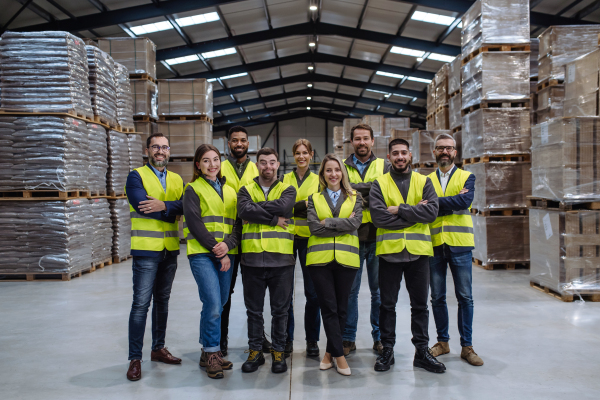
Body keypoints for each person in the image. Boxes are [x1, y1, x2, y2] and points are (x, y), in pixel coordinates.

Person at [369, 138, 445, 373]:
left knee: (420, 306)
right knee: (387, 305)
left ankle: (421, 352)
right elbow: (379, 218)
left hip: (418, 255)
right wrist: (415, 212)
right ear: (389, 157)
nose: (400, 157)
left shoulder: (424, 181)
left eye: (403, 153)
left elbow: (431, 212)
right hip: (390, 255)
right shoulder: (379, 184)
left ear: (410, 155)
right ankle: (387, 350)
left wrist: (399, 209)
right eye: (395, 153)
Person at [125, 133, 184, 381]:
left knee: (163, 301)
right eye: (155, 147)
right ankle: (134, 359)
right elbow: (142, 206)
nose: (160, 151)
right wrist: (170, 208)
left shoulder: (178, 179)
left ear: (169, 151)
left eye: (164, 147)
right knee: (141, 304)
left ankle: (158, 348)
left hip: (169, 250)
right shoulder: (136, 176)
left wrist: (164, 206)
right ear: (147, 150)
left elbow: (186, 206)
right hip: (146, 250)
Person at [182, 144, 243, 379]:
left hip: (227, 252)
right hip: (202, 253)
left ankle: (206, 352)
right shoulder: (192, 189)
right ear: (198, 165)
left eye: (215, 159)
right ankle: (213, 353)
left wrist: (228, 245)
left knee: (221, 302)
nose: (212, 165)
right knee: (213, 304)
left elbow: (237, 224)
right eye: (206, 161)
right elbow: (195, 225)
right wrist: (221, 251)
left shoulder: (230, 191)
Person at [237, 147, 297, 374]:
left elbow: (283, 206)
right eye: (263, 162)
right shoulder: (245, 189)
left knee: (280, 310)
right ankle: (255, 352)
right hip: (252, 259)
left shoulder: (287, 189)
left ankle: (278, 352)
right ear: (257, 165)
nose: (268, 167)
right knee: (254, 311)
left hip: (281, 260)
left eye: (272, 162)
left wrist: (255, 210)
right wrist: (273, 219)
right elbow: (243, 210)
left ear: (278, 165)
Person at [426, 133, 483, 366]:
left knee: (465, 297)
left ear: (455, 152)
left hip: (460, 246)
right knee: (437, 297)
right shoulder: (426, 180)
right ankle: (442, 342)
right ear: (434, 152)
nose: (444, 152)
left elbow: (464, 202)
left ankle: (467, 346)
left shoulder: (467, 176)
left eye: (448, 148)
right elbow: (427, 209)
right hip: (435, 244)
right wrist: (448, 202)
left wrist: (435, 204)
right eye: (440, 148)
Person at [306, 154, 363, 376]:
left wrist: (328, 222)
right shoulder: (313, 198)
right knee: (328, 307)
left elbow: (355, 223)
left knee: (341, 308)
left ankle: (329, 353)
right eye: (328, 170)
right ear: (322, 174)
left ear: (343, 173)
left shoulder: (355, 197)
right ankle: (340, 356)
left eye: (337, 170)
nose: (333, 174)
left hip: (347, 259)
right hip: (319, 261)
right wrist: (342, 223)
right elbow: (313, 228)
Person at [342, 123, 390, 356]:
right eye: (357, 138)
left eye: (366, 138)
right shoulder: (341, 167)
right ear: (352, 142)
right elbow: (340, 195)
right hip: (351, 237)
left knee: (378, 292)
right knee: (350, 292)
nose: (361, 142)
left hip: (378, 237)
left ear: (372, 141)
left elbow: (386, 193)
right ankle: (349, 338)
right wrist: (372, 191)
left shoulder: (384, 165)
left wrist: (355, 191)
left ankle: (379, 337)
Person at [218, 126, 264, 356]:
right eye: (234, 140)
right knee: (225, 294)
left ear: (248, 144)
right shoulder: (220, 167)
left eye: (243, 140)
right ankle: (221, 339)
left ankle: (257, 338)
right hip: (227, 239)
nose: (239, 144)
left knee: (254, 293)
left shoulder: (257, 168)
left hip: (252, 238)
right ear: (228, 144)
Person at [282, 139, 321, 358]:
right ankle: (287, 339)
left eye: (305, 152)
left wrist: (293, 207)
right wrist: (302, 205)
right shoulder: (285, 179)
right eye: (297, 153)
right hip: (286, 238)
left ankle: (312, 340)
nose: (301, 156)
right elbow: (282, 207)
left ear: (311, 154)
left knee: (313, 294)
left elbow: (317, 206)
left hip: (310, 239)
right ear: (293, 156)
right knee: (285, 294)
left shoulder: (318, 180)